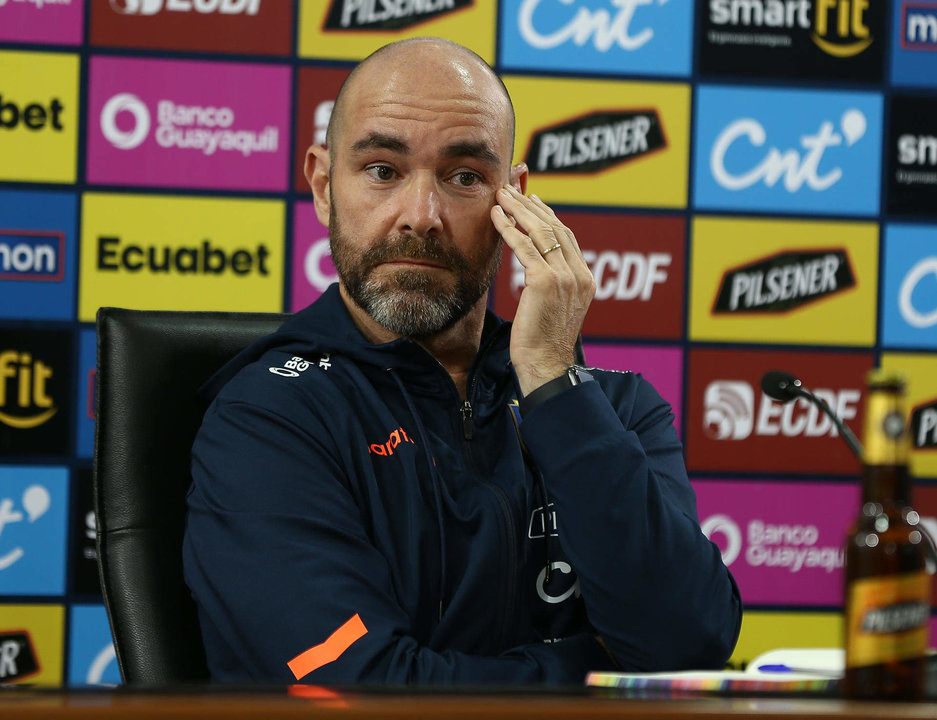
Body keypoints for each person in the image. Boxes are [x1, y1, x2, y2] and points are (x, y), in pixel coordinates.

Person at [183, 37, 741, 685]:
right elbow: (354, 686)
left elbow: (688, 647)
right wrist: (599, 676)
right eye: (383, 171)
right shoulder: (267, 417)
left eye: (464, 177)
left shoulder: (617, 410)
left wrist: (551, 382)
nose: (421, 217)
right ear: (322, 185)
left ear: (517, 203)